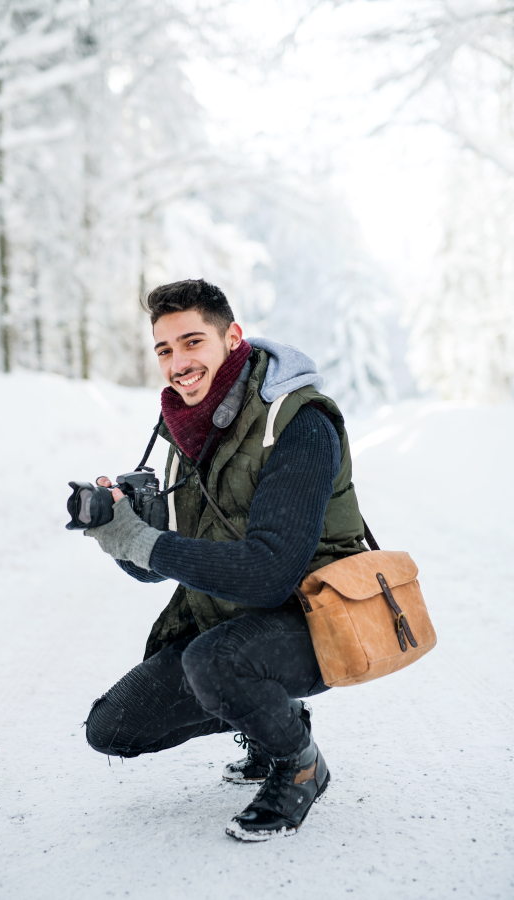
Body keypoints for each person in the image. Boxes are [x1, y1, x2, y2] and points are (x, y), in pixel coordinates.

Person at [83, 278, 367, 841]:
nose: (178, 363)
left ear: (231, 338)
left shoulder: (300, 422)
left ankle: (301, 764)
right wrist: (121, 532)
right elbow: (154, 568)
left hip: (315, 619)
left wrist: (145, 542)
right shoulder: (189, 431)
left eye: (193, 342)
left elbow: (270, 573)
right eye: (164, 350)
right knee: (110, 729)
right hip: (228, 620)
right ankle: (271, 720)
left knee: (216, 661)